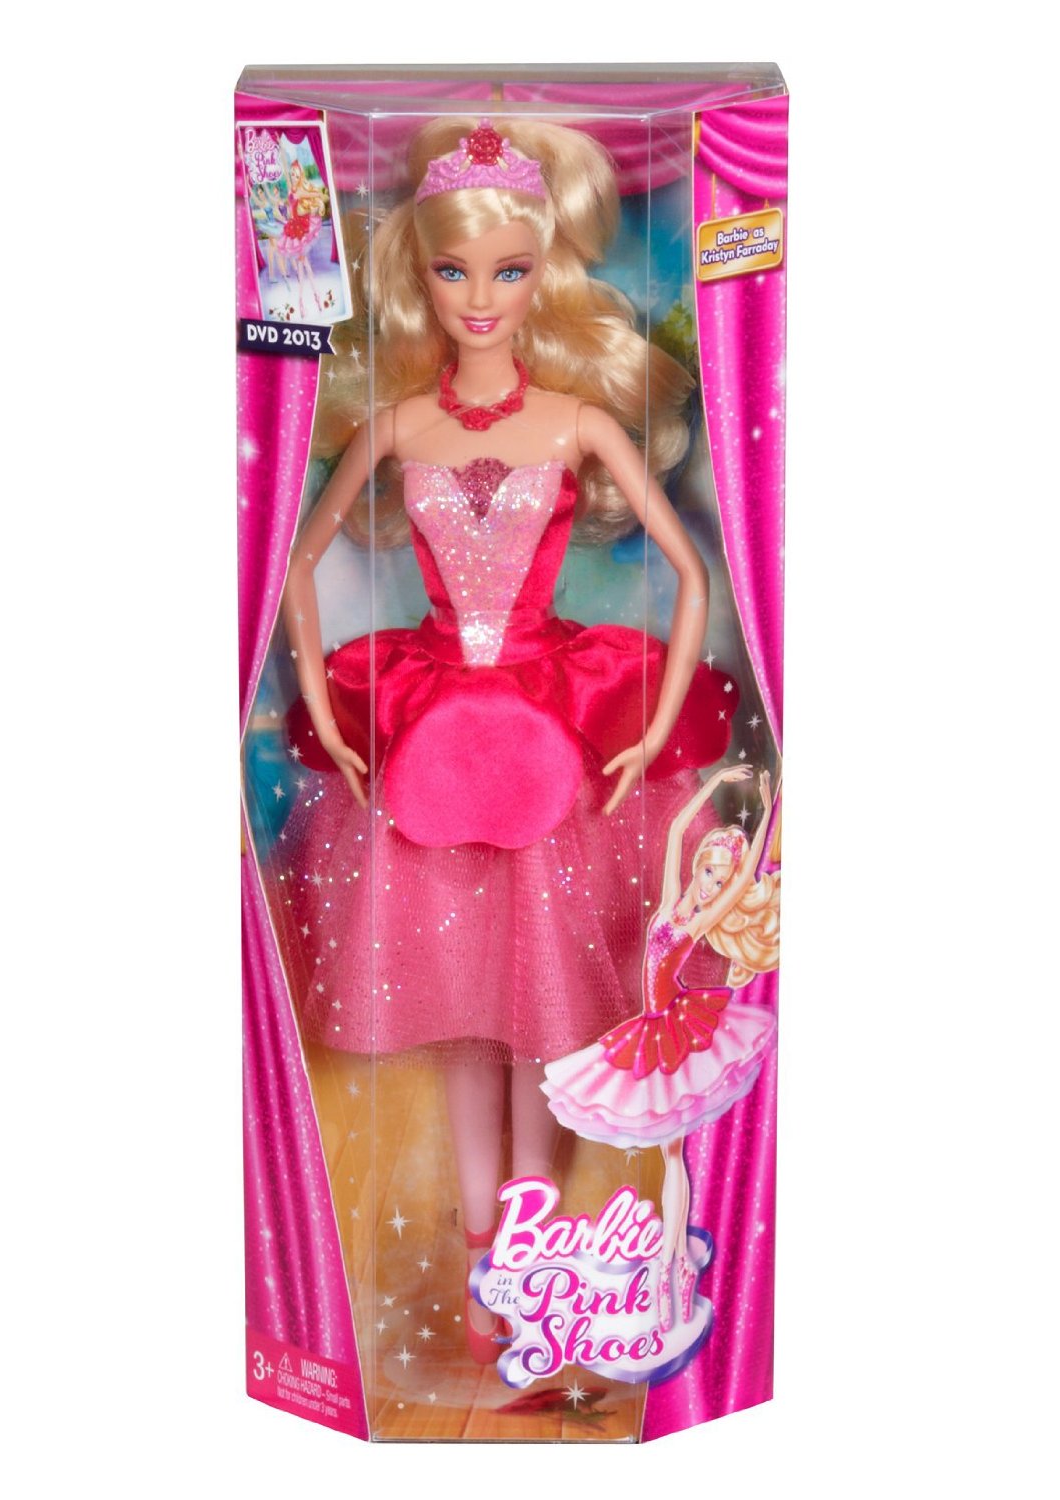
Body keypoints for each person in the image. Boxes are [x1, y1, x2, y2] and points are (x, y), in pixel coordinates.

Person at [273, 117, 736, 1361]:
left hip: (553, 729)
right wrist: (323, 704)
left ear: (545, 273)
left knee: (548, 1019)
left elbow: (691, 572)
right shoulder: (399, 424)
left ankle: (534, 1262)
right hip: (430, 730)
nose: (480, 298)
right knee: (464, 1018)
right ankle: (491, 1263)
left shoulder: (578, 422)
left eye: (510, 270)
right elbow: (296, 563)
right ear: (420, 276)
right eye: (453, 270)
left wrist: (649, 731)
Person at [542, 764, 780, 1333]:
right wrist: (714, 786)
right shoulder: (674, 902)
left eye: (720, 879)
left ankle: (672, 1266)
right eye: (709, 871)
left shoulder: (702, 918)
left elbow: (747, 873)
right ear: (699, 868)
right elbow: (675, 831)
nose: (713, 883)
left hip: (676, 1030)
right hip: (649, 1027)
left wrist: (769, 807)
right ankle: (672, 1264)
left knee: (673, 1155)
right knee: (669, 1156)